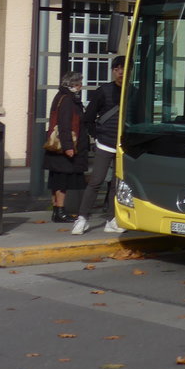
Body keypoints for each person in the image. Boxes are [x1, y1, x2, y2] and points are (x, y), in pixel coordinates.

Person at [71, 57, 126, 235]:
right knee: (96, 181)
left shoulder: (133, 91)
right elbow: (88, 118)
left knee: (117, 185)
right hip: (105, 143)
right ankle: (82, 219)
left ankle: (111, 219)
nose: (120, 72)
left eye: (124, 68)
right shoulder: (103, 91)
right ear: (112, 71)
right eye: (117, 68)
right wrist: (98, 136)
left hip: (123, 146)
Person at [44, 72, 88, 224]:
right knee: (62, 180)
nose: (80, 86)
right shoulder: (68, 100)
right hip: (64, 147)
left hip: (57, 147)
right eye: (79, 83)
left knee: (56, 179)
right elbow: (65, 124)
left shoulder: (60, 96)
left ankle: (57, 210)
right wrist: (68, 146)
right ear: (73, 84)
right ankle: (60, 211)